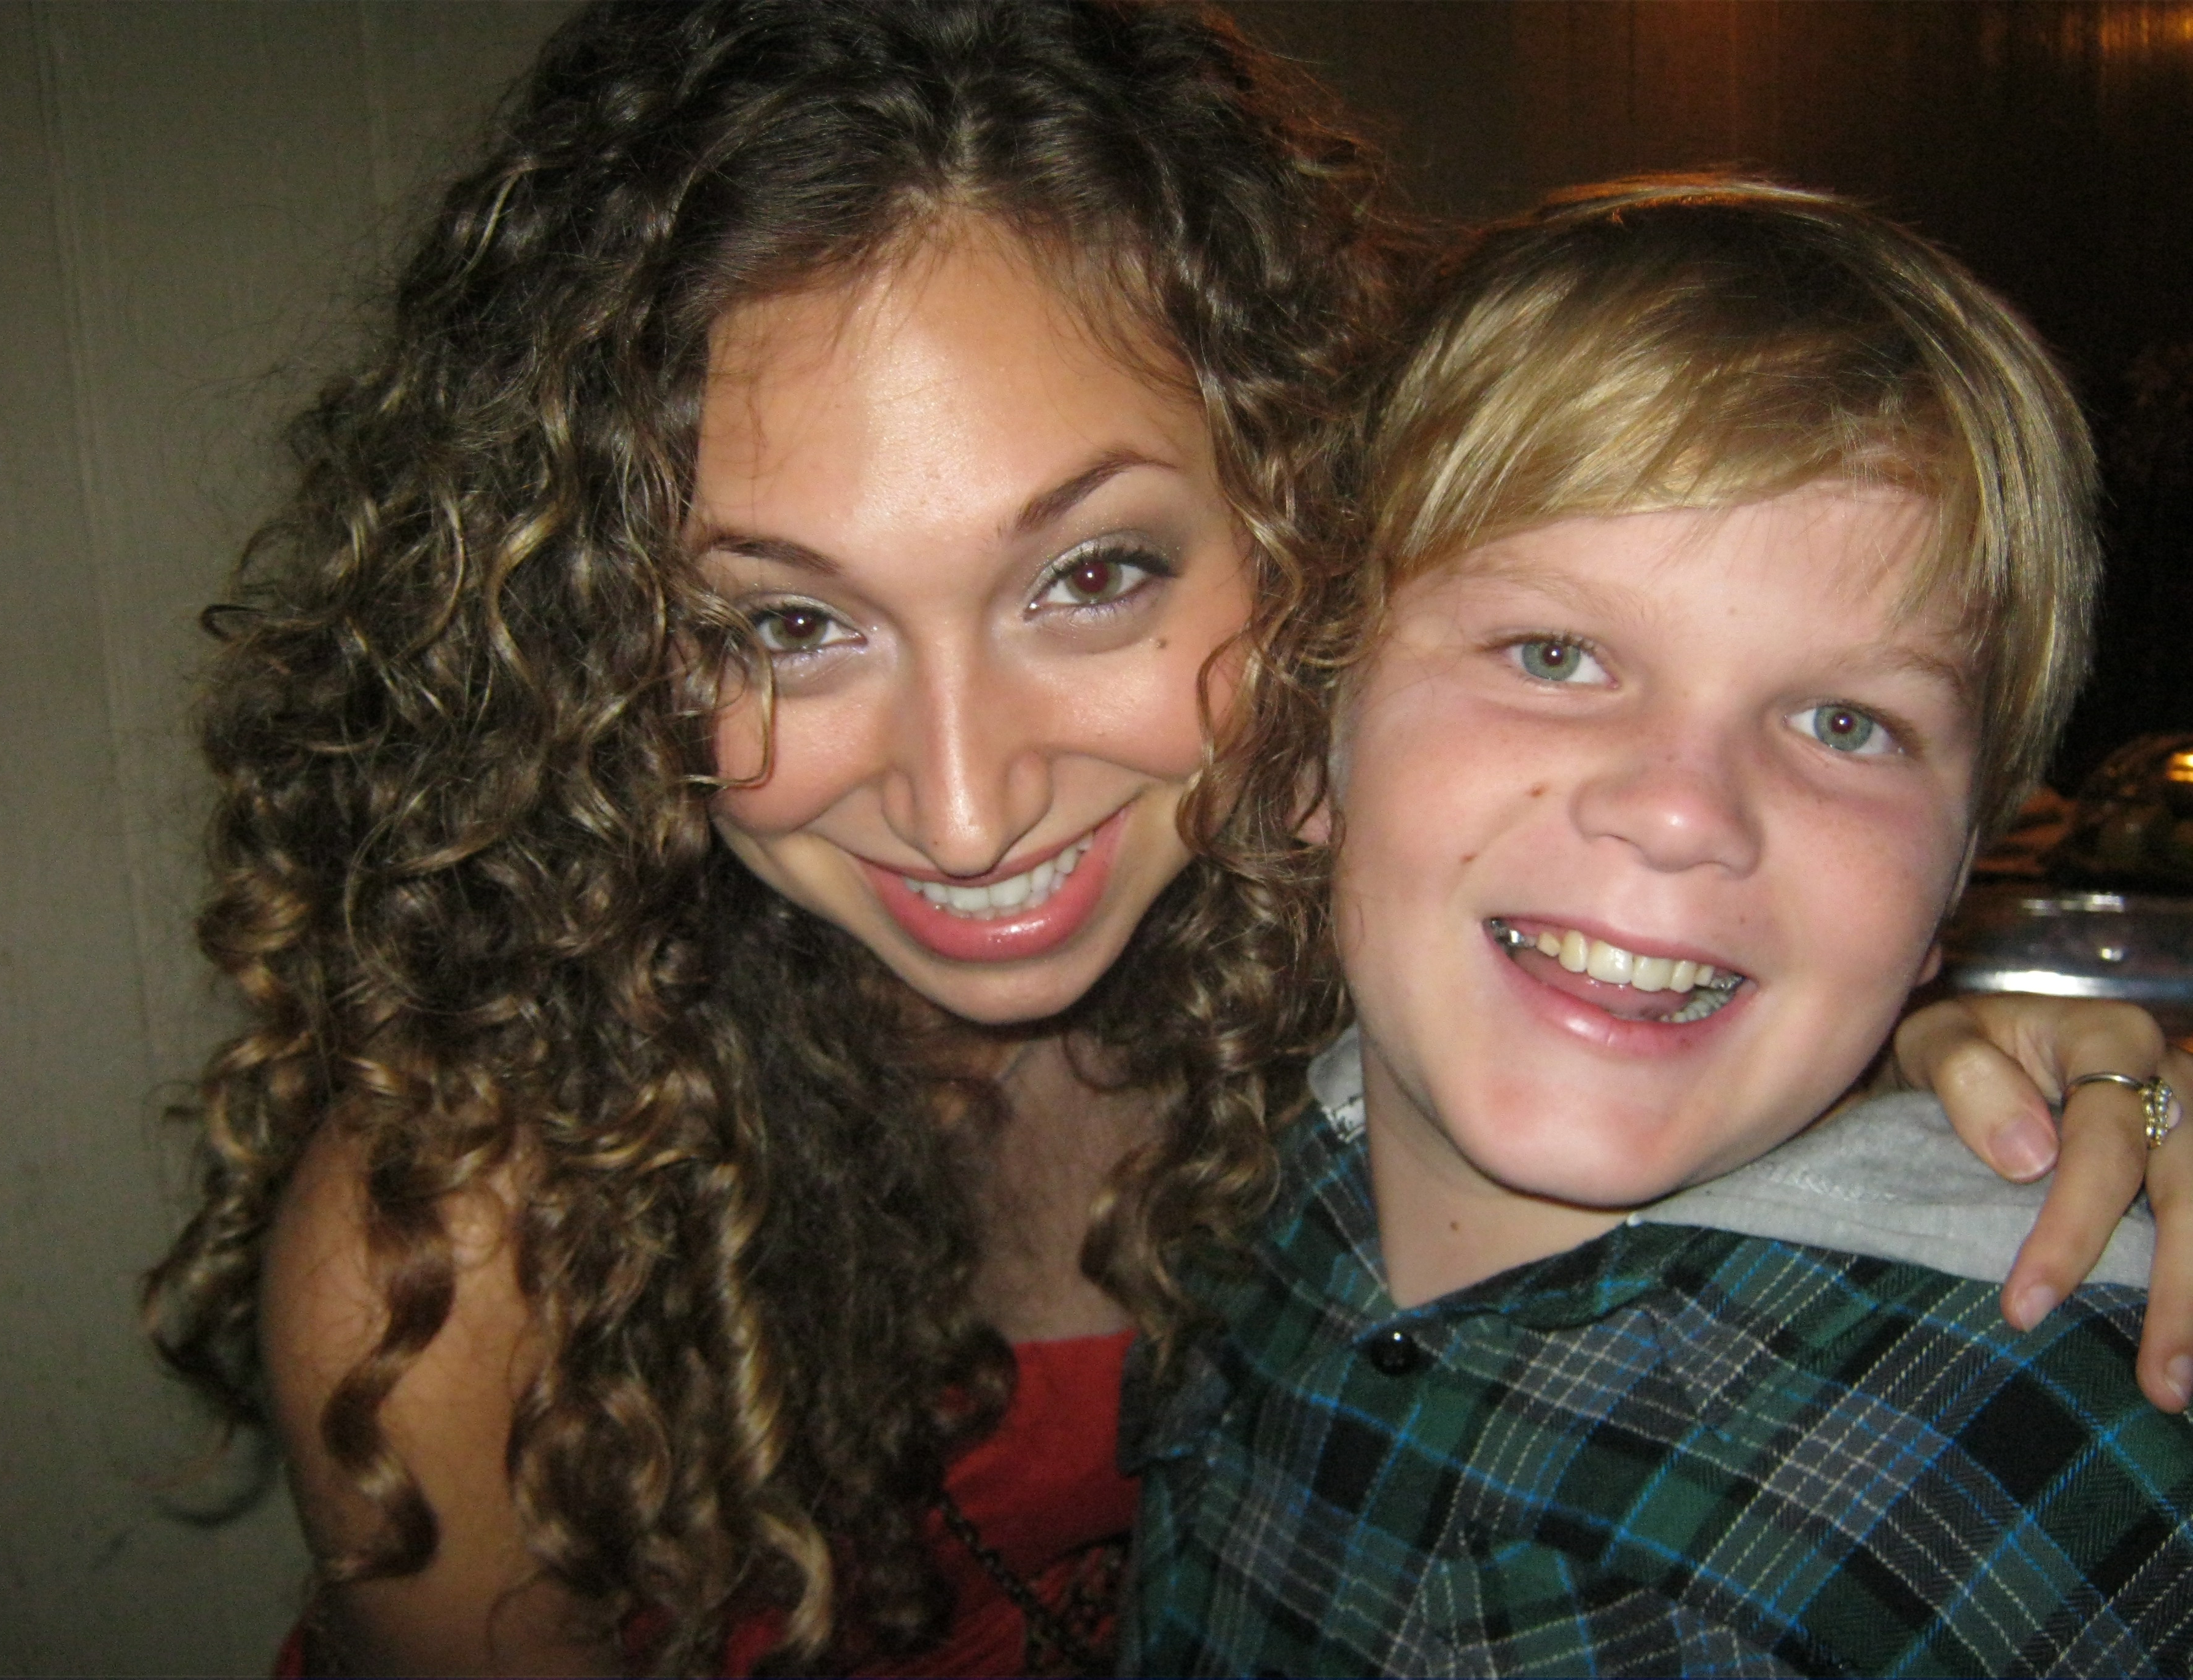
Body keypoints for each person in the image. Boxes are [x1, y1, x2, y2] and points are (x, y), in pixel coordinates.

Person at [139, 6, 2184, 1671]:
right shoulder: (471, 1252)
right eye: (782, 622)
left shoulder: (1396, 959)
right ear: (596, 641)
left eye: (1091, 574)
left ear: (1303, 538)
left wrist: (1964, 1076)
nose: (964, 803)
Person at [1124, 178, 2193, 1676]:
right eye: (1554, 653)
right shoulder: (1246, 1179)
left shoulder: (2057, 1471)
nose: (1686, 809)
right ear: (1308, 746)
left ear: (1961, 876)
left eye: (1845, 721)